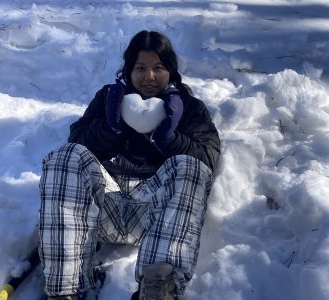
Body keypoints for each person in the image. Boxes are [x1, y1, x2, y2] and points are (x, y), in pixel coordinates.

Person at [38, 30, 220, 300]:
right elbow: (75, 142)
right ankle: (66, 290)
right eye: (140, 68)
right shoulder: (110, 98)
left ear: (170, 70)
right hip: (101, 207)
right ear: (128, 70)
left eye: (158, 68)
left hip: (158, 218)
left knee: (190, 166)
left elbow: (207, 160)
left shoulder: (189, 108)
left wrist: (170, 138)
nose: (149, 77)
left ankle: (158, 289)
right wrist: (111, 128)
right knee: (65, 155)